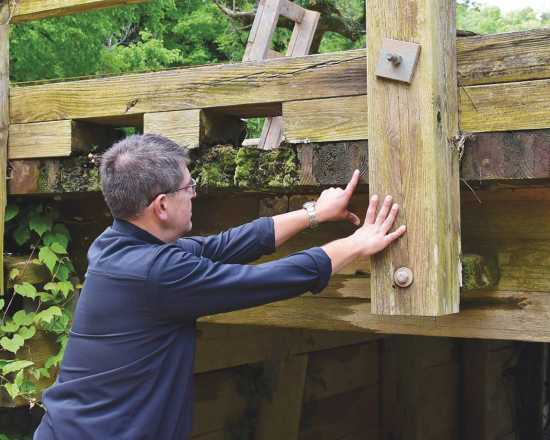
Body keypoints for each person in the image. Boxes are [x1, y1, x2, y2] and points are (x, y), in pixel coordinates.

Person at [33, 134, 406, 440]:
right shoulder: (155, 273)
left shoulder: (116, 246)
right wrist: (356, 244)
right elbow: (265, 282)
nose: (194, 193)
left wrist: (315, 214)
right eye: (188, 186)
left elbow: (224, 246)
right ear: (161, 206)